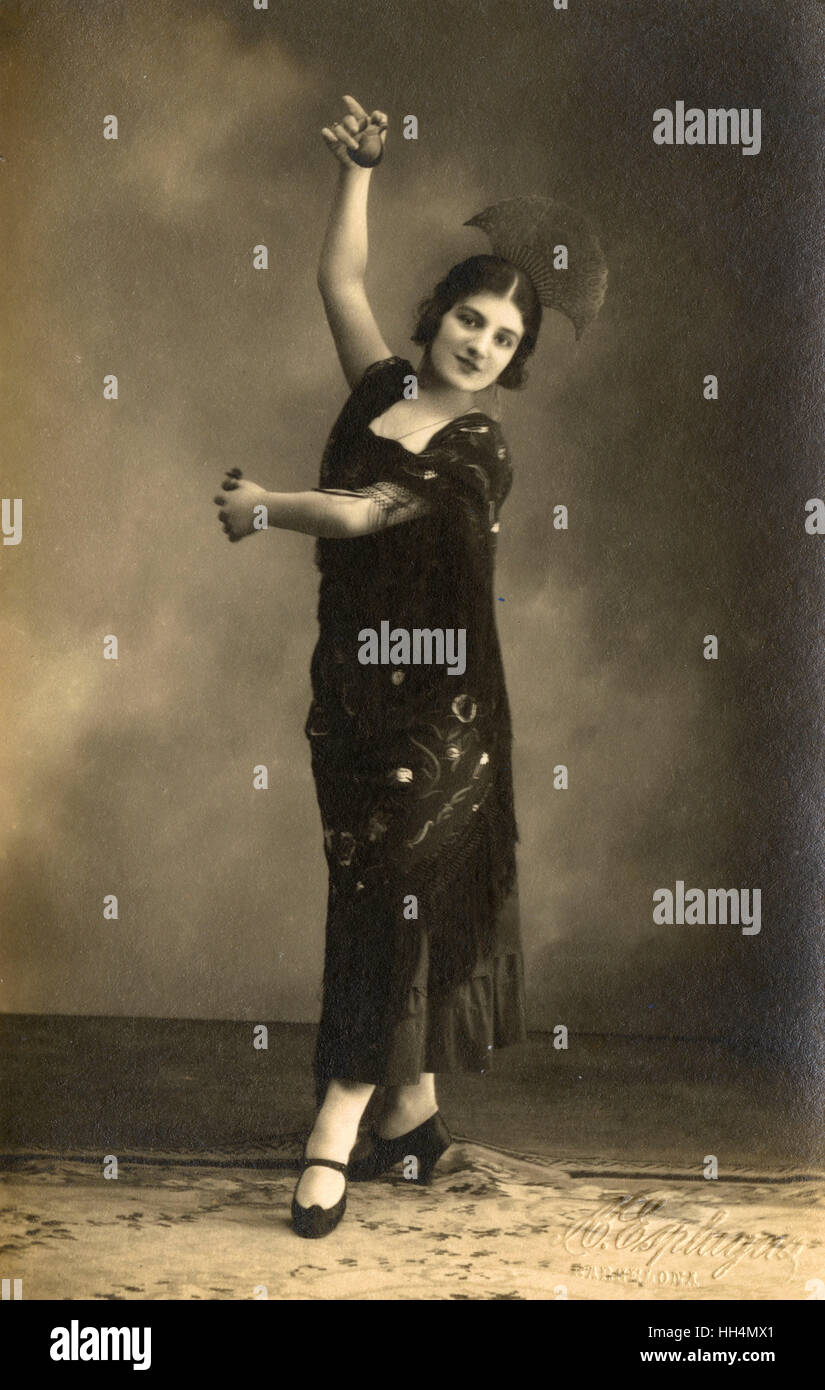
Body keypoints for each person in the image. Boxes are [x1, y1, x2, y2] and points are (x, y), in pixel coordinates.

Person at [214, 95, 542, 1239]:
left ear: (515, 362)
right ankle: (411, 1108)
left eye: (505, 339)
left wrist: (263, 511)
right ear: (438, 315)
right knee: (368, 890)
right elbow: (339, 286)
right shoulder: (386, 393)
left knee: (382, 901)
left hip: (444, 709)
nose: (480, 344)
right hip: (349, 693)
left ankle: (337, 1122)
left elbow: (361, 512)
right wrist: (362, 171)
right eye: (469, 319)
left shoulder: (478, 449)